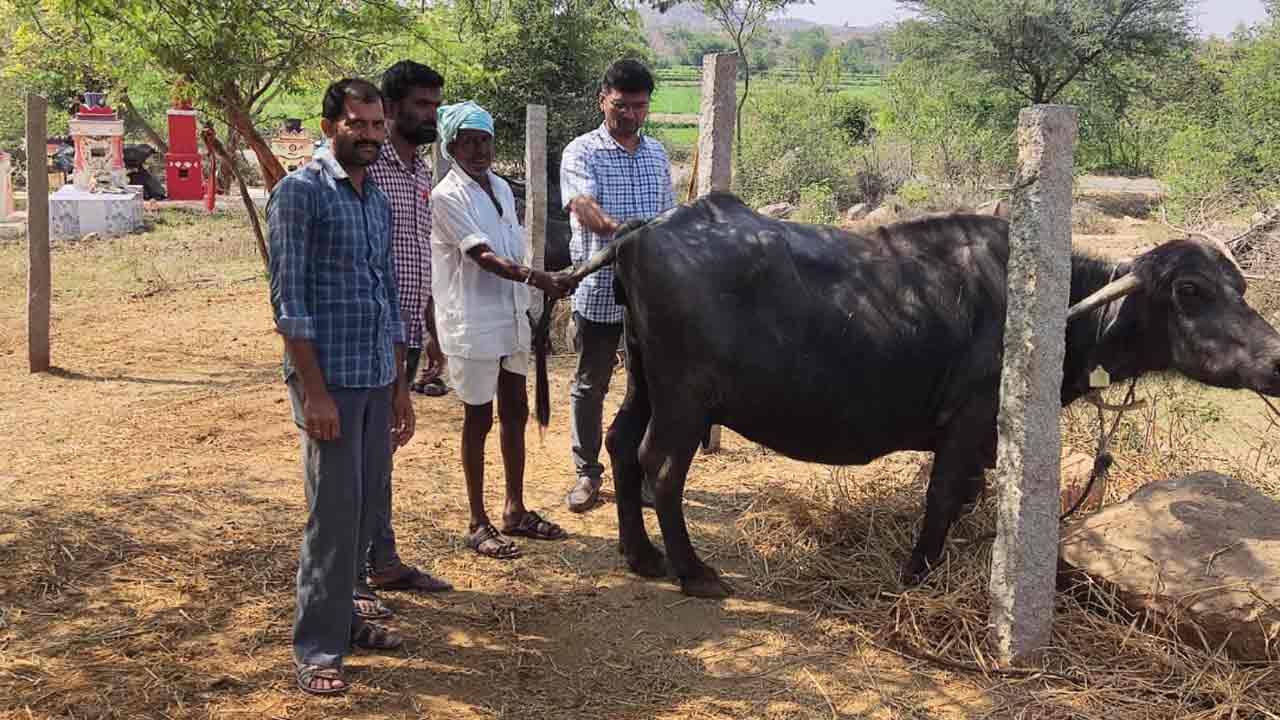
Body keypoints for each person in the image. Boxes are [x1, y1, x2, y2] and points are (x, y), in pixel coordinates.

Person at [267, 78, 413, 696]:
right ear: (330, 127)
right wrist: (315, 392)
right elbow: (289, 301)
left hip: (376, 375)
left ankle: (346, 619)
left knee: (363, 508)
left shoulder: (373, 197)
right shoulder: (300, 194)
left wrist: (400, 385)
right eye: (358, 125)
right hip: (329, 382)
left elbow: (385, 292)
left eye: (378, 126)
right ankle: (318, 646)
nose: (371, 136)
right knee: (331, 515)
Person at [431, 100, 576, 559]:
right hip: (472, 320)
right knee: (478, 418)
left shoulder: (499, 188)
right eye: (468, 142)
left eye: (484, 140)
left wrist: (535, 289)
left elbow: (510, 249)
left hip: (511, 315)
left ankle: (514, 509)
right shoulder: (445, 196)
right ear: (451, 146)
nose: (478, 149)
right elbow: (483, 256)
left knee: (515, 410)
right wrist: (539, 279)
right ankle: (478, 521)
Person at [351, 60, 451, 622]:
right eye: (421, 105)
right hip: (371, 336)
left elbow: (418, 258)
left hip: (407, 334)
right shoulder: (370, 168)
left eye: (435, 106)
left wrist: (429, 330)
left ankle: (381, 559)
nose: (430, 115)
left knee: (383, 451)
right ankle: (357, 575)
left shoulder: (417, 173)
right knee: (364, 456)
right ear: (388, 110)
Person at [560, 58, 675, 513]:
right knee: (591, 383)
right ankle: (587, 472)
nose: (630, 114)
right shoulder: (582, 151)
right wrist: (623, 233)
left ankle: (643, 471)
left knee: (650, 384)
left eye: (639, 106)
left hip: (651, 295)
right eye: (621, 105)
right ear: (602, 100)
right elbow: (582, 205)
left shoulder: (657, 154)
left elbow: (666, 218)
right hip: (601, 287)